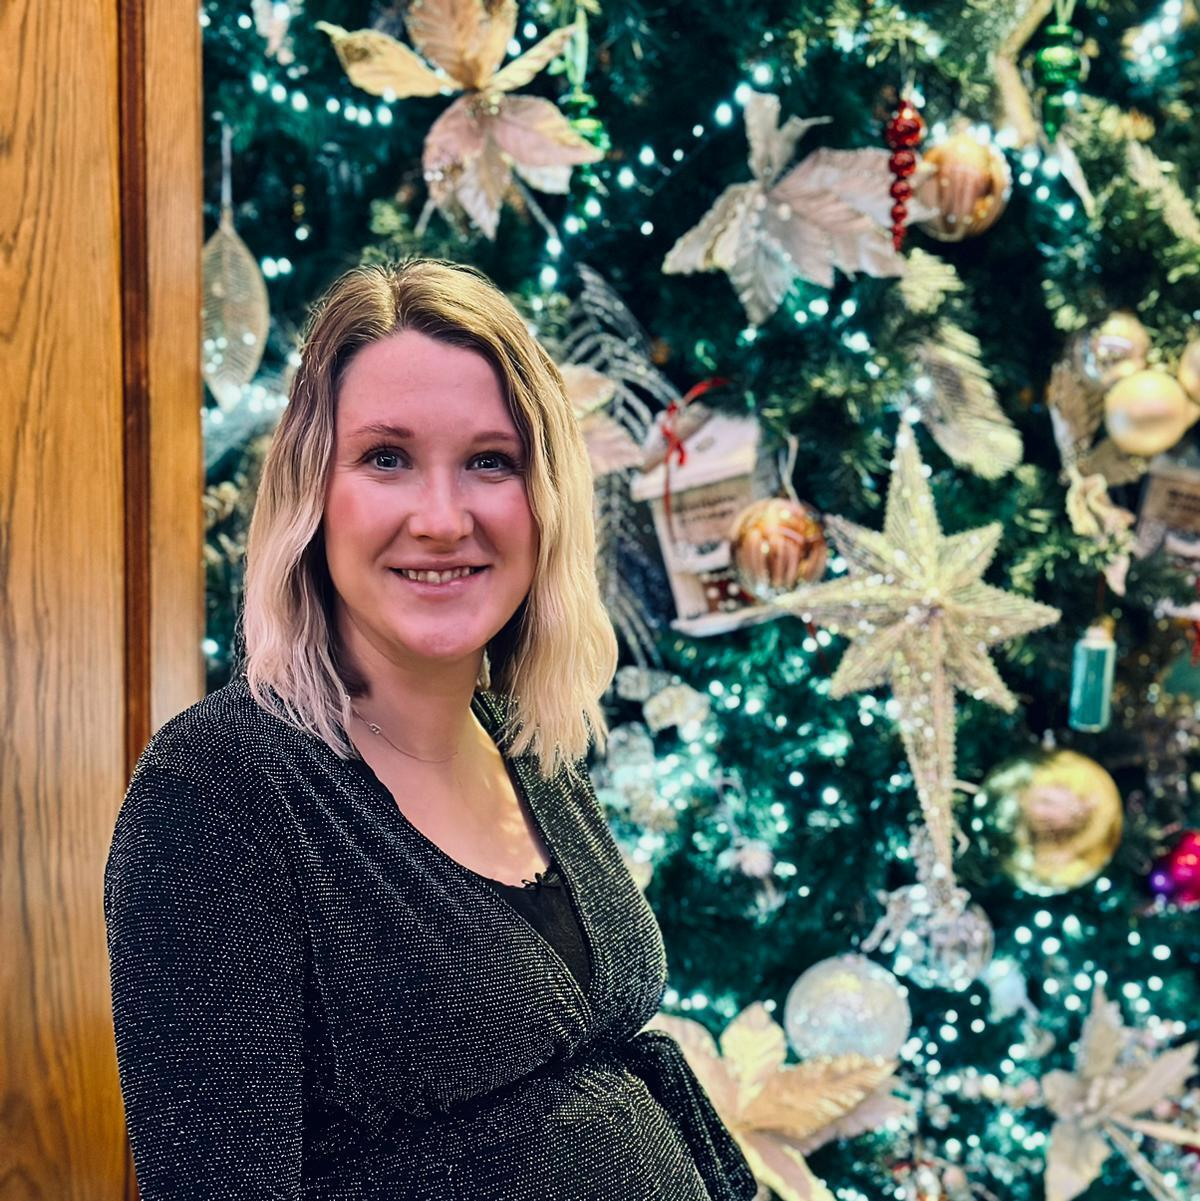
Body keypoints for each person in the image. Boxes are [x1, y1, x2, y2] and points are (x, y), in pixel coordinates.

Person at [104, 259, 757, 1201]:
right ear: (313, 497)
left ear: (542, 500)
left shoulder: (526, 745)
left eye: (490, 461)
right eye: (386, 458)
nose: (444, 518)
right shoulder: (220, 793)